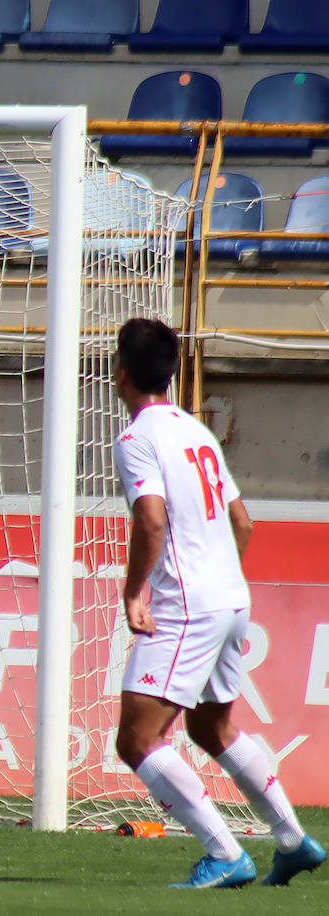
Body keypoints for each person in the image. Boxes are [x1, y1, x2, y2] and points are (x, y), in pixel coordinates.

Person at [112, 317, 324, 889]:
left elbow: (150, 518)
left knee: (138, 739)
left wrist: (136, 590)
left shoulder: (137, 439)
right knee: (211, 728)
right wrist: (221, 577)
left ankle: (225, 852)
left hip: (189, 604)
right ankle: (292, 839)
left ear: (121, 372)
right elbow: (243, 523)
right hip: (232, 598)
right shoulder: (196, 432)